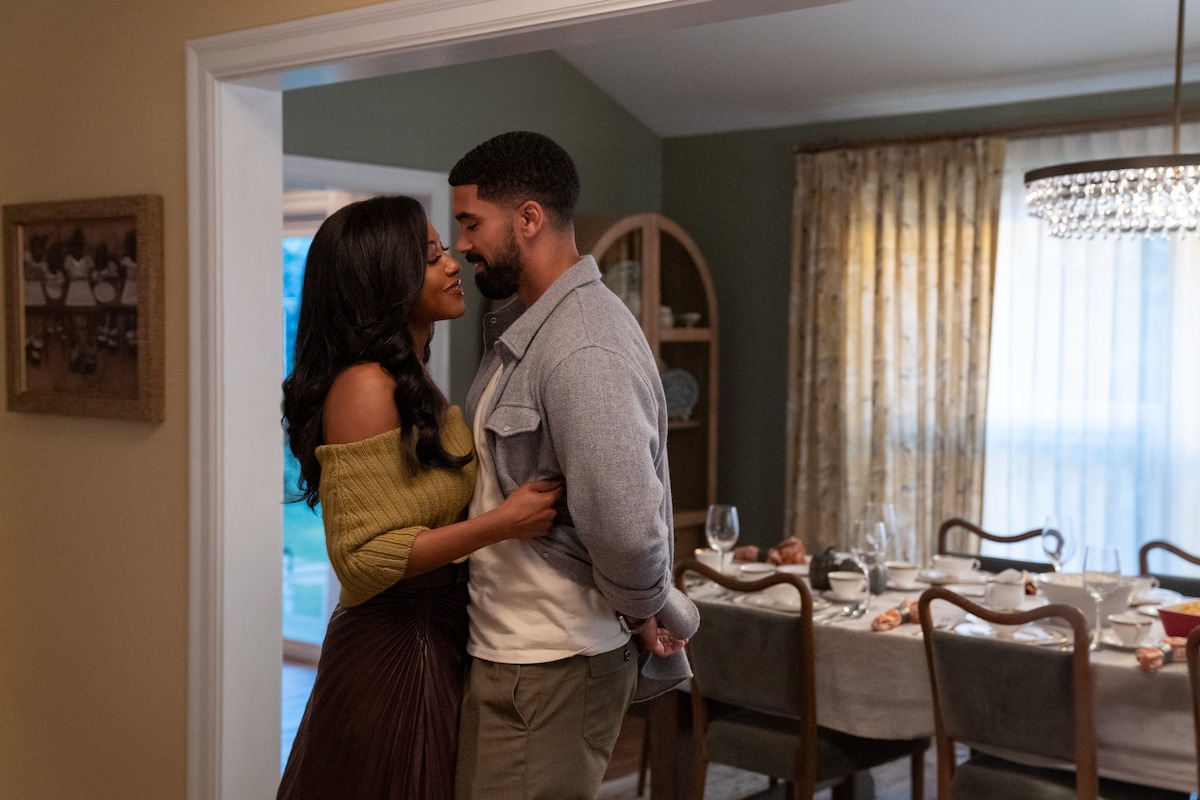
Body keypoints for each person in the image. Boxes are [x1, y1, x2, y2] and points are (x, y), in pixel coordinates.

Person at [277, 195, 563, 800]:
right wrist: (504, 523)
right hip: (396, 651)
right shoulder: (364, 387)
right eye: (432, 257)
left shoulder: (409, 378)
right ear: (386, 279)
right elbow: (361, 558)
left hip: (436, 632)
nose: (454, 262)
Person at [449, 131, 699, 800]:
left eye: (471, 223)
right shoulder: (530, 328)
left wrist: (645, 604)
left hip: (553, 662)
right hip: (515, 655)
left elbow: (623, 523)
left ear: (528, 219)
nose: (462, 244)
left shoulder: (584, 343)